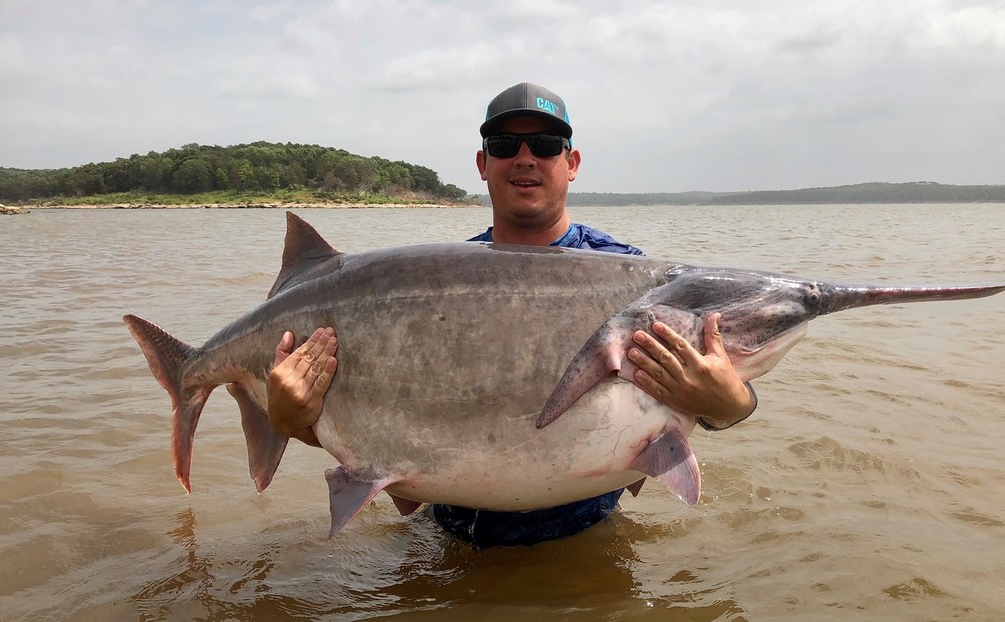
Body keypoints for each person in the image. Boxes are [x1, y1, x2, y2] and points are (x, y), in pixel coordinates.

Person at [267, 83, 758, 547]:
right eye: (505, 144)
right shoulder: (434, 284)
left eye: (546, 144)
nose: (525, 157)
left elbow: (708, 372)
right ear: (483, 164)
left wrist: (732, 405)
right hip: (446, 538)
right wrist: (293, 423)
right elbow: (381, 416)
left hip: (584, 538)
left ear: (572, 163)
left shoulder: (628, 274)